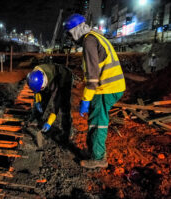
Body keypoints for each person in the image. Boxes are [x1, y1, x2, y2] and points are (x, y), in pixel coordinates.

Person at [63, 14, 126, 169]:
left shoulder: (89, 41)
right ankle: (93, 152)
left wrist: (86, 99)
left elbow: (92, 77)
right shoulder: (95, 36)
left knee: (98, 122)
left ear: (76, 30)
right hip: (108, 87)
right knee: (95, 120)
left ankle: (98, 158)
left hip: (105, 88)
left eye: (70, 34)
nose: (71, 38)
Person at [26, 63, 73, 144]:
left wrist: (49, 122)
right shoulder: (34, 75)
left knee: (64, 104)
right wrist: (37, 102)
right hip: (49, 79)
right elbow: (36, 91)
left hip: (65, 78)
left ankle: (66, 133)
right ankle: (36, 119)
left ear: (44, 83)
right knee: (43, 99)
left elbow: (56, 104)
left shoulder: (56, 84)